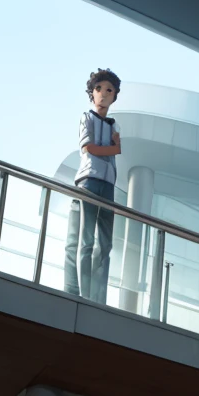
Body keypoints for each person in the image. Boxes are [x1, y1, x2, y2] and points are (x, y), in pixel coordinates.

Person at [64, 68, 121, 303]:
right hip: (87, 181)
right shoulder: (86, 118)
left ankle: (98, 298)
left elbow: (115, 149)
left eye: (109, 90)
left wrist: (109, 148)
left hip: (107, 185)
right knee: (84, 240)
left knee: (105, 245)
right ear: (92, 93)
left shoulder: (114, 125)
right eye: (99, 89)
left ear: (114, 95)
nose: (104, 94)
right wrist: (111, 148)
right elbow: (90, 148)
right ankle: (80, 295)